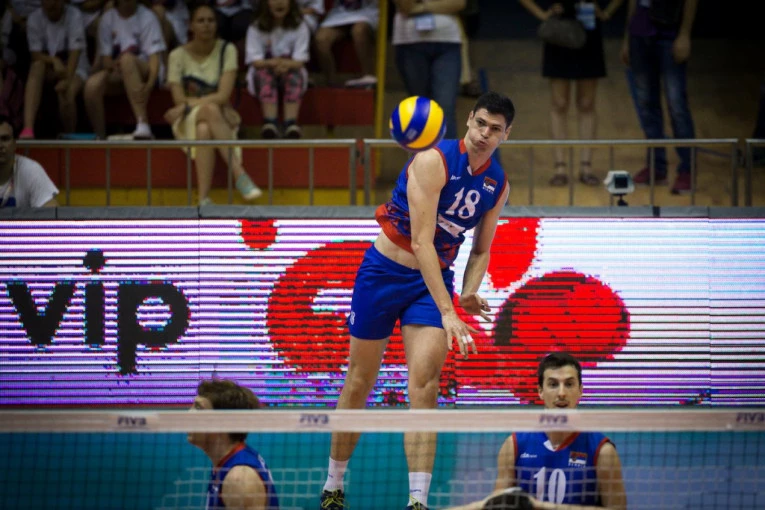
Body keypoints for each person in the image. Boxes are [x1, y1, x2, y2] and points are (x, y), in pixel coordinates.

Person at [319, 91, 515, 510]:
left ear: (506, 135)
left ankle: (418, 502)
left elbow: (481, 249)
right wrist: (449, 312)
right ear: (469, 120)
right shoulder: (433, 161)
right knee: (359, 381)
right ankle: (333, 486)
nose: (485, 133)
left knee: (425, 387)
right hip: (384, 274)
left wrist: (468, 291)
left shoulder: (497, 184)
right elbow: (422, 242)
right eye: (481, 123)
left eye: (495, 129)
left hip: (431, 284)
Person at [445, 352, 627, 510]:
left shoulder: (602, 451)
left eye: (569, 384)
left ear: (580, 390)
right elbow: (499, 505)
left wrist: (541, 506)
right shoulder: (515, 445)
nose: (561, 393)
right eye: (553, 384)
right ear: (540, 391)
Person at [518, 0, 624, 187]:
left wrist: (606, 12)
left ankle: (586, 167)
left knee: (587, 103)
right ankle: (559, 167)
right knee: (559, 103)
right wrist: (542, 14)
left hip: (588, 30)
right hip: (560, 31)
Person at [164, 2, 261, 205]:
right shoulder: (176, 56)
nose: (206, 25)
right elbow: (178, 99)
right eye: (201, 21)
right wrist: (187, 106)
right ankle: (239, 174)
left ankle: (203, 198)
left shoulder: (227, 50)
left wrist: (187, 104)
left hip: (217, 116)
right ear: (190, 25)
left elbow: (223, 95)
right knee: (210, 109)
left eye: (211, 20)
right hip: (187, 119)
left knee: (204, 129)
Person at [621, 0, 698, 194]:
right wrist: (627, 37)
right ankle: (656, 166)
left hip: (670, 31)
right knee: (646, 103)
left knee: (676, 104)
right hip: (640, 31)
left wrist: (684, 34)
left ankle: (687, 170)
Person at [188, 379, 280, 510]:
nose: (188, 414)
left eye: (199, 408)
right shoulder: (225, 463)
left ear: (223, 422)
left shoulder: (239, 479)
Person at [83, 0, 167, 139]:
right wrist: (115, 65)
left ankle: (143, 125)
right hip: (119, 72)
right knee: (92, 85)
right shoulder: (107, 18)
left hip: (145, 70)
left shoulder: (148, 17)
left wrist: (150, 85)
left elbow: (154, 58)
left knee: (127, 59)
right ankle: (100, 136)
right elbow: (106, 60)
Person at [392, 0, 465, 140]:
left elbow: (459, 3)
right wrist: (440, 5)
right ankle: (423, 154)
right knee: (419, 109)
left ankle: (446, 154)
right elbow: (406, 6)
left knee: (445, 107)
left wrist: (420, 7)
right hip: (409, 42)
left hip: (448, 42)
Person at [19, 0, 89, 139]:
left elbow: (75, 54)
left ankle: (70, 136)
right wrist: (53, 60)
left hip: (76, 69)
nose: (52, 4)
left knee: (65, 90)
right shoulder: (34, 18)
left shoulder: (74, 15)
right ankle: (28, 129)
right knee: (36, 67)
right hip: (51, 69)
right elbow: (35, 55)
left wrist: (66, 79)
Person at [245, 0, 310, 139]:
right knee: (265, 75)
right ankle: (270, 123)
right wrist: (273, 63)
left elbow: (300, 60)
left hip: (290, 67)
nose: (279, 3)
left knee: (294, 75)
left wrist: (284, 64)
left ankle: (290, 123)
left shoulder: (300, 26)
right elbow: (256, 61)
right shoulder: (255, 27)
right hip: (265, 67)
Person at [314, 0, 378, 88]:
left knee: (359, 31)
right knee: (321, 39)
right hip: (339, 13)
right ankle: (331, 81)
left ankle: (369, 75)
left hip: (367, 12)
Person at [0, 115, 59, 208]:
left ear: (14, 144)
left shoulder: (31, 170)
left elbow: (51, 212)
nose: (0, 145)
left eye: (5, 139)